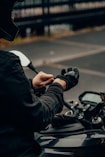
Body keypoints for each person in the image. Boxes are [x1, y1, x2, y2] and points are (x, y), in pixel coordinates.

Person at [0, 0, 79, 156]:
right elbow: (37, 116)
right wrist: (58, 86)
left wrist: (30, 85)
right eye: (10, 11)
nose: (12, 17)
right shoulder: (6, 64)